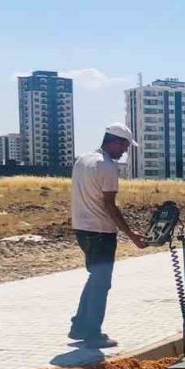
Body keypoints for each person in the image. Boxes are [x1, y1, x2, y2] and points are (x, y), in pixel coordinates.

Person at [68, 123, 148, 348]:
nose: (125, 151)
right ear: (115, 141)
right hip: (101, 231)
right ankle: (93, 334)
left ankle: (79, 326)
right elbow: (110, 205)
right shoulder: (107, 166)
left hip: (82, 229)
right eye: (124, 146)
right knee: (101, 283)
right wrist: (131, 234)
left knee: (95, 278)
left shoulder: (83, 160)